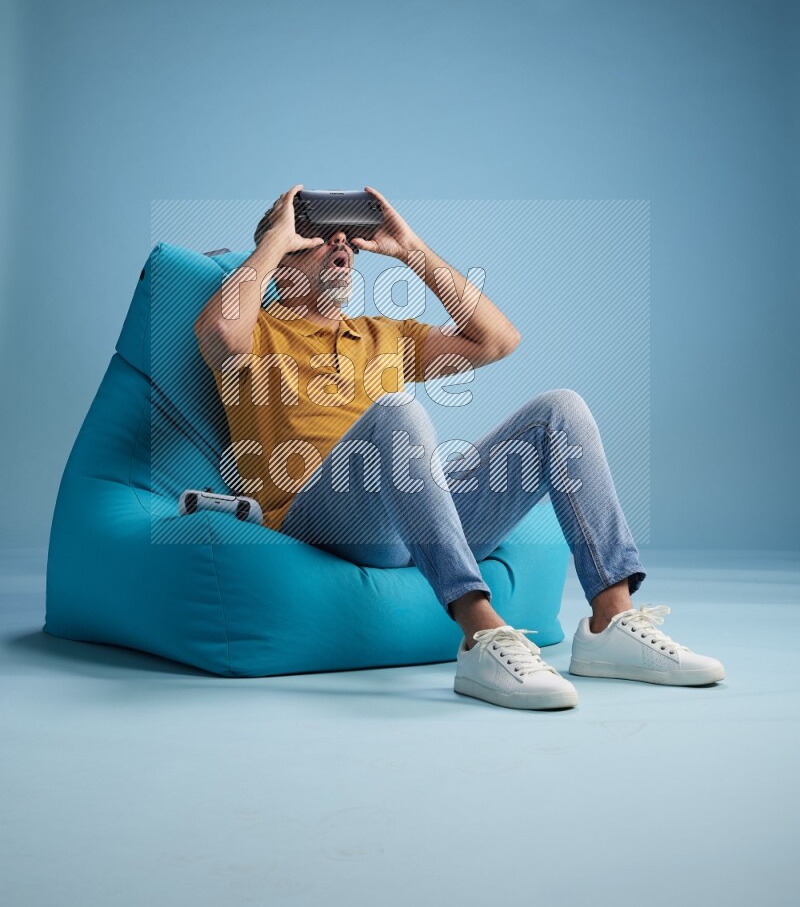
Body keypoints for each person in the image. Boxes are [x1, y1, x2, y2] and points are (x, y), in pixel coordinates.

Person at [194, 183, 725, 710]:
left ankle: (611, 620)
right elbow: (220, 332)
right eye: (317, 239)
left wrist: (409, 249)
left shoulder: (383, 334)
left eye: (348, 240)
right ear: (282, 260)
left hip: (417, 521)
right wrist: (274, 241)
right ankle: (480, 636)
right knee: (398, 411)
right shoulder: (255, 331)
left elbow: (496, 340)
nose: (341, 246)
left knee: (560, 411)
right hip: (324, 521)